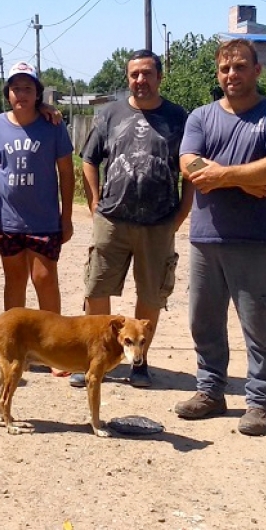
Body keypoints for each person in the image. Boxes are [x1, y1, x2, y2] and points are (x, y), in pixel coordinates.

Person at [175, 39, 266, 436]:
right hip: (205, 237)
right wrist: (247, 180)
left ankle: (260, 401)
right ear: (219, 73)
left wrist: (223, 176)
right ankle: (210, 392)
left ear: (256, 71)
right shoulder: (201, 117)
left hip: (255, 239)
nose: (232, 75)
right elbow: (188, 163)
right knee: (203, 320)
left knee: (260, 322)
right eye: (226, 69)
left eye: (241, 67)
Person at [71, 49, 191, 389]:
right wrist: (94, 200)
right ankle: (95, 359)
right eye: (134, 74)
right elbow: (89, 159)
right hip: (112, 219)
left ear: (159, 77)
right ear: (128, 78)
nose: (140, 80)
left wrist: (183, 212)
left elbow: (191, 169)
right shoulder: (109, 114)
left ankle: (139, 363)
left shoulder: (178, 118)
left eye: (147, 73)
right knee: (97, 289)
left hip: (158, 222)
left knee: (150, 295)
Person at [0, 62, 75, 374]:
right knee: (14, 282)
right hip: (8, 220)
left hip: (45, 220)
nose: (21, 93)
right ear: (7, 93)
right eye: (15, 88)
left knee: (44, 280)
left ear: (38, 93)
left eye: (28, 88)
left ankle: (54, 352)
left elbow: (65, 172)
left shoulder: (52, 126)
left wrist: (68, 217)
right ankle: (9, 348)